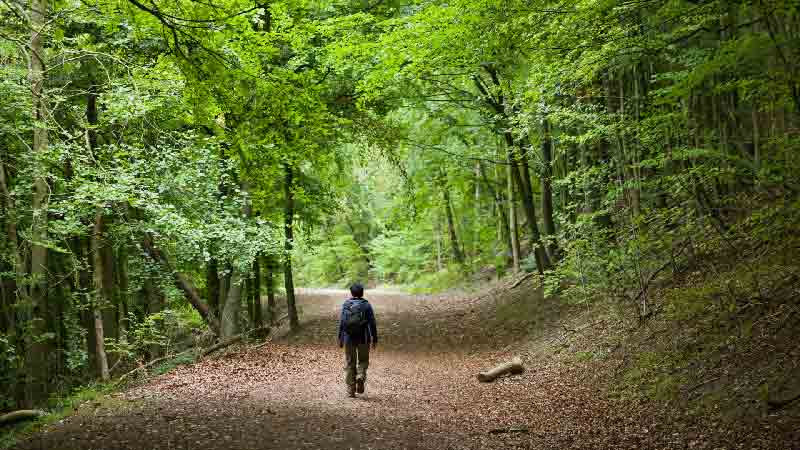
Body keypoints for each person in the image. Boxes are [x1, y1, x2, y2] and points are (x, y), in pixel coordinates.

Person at [338, 283, 378, 398]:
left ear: (351, 293)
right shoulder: (366, 305)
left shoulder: (346, 304)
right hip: (364, 338)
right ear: (362, 293)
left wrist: (340, 338)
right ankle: (360, 376)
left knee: (350, 363)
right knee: (363, 360)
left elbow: (342, 322)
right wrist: (374, 338)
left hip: (348, 338)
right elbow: (372, 323)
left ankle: (351, 390)